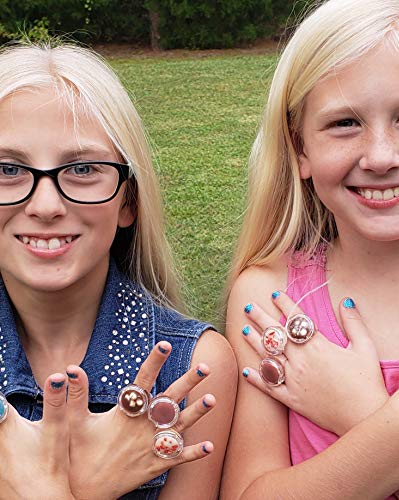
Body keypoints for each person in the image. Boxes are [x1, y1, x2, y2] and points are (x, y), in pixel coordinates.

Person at [222, 0, 399, 498]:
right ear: (301, 149)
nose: (380, 157)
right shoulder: (270, 297)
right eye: (344, 124)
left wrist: (364, 416)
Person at [0, 42, 236, 499]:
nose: (46, 206)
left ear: (128, 201)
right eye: (8, 168)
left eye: (83, 169)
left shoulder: (193, 372)